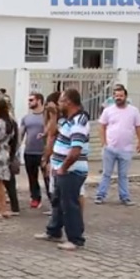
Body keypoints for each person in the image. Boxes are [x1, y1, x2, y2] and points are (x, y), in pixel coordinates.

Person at [34, 89, 89, 251]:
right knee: (57, 201)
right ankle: (54, 231)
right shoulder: (67, 120)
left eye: (61, 101)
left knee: (70, 204)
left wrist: (64, 167)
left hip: (71, 170)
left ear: (69, 102)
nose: (59, 104)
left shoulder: (78, 122)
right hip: (61, 168)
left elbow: (76, 149)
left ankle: (76, 239)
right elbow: (52, 134)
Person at [95, 86, 140, 206]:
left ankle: (125, 196)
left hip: (126, 149)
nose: (118, 98)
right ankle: (100, 195)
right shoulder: (108, 110)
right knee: (106, 173)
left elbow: (139, 127)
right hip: (110, 147)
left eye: (121, 96)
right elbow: (102, 126)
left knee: (123, 175)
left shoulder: (133, 111)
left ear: (125, 97)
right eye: (116, 96)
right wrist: (103, 142)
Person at [21, 92, 50, 209]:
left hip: (43, 152)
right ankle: (35, 198)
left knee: (47, 177)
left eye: (31, 100)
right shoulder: (26, 118)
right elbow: (21, 134)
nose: (29, 102)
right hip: (29, 152)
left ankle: (52, 198)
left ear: (39, 100)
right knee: (32, 177)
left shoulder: (47, 117)